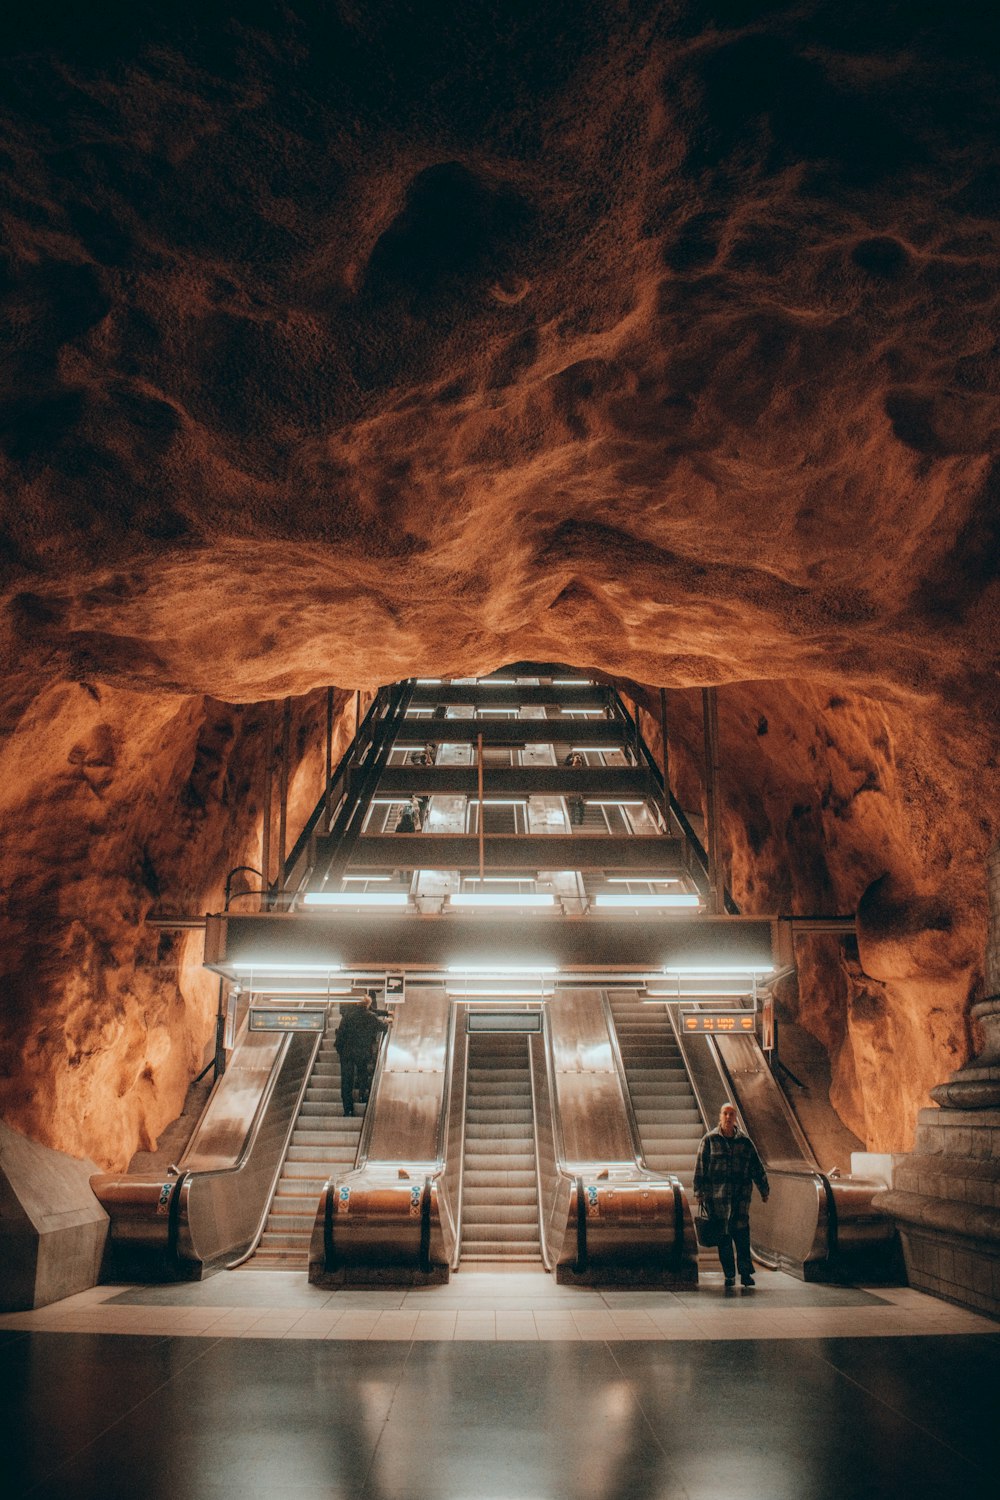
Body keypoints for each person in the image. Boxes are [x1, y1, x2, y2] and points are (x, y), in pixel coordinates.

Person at [693, 1102, 769, 1289]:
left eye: (731, 1114)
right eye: (725, 1113)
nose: (728, 1117)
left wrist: (764, 1189)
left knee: (742, 1238)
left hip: (740, 1200)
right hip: (717, 1201)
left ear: (735, 1118)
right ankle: (729, 1275)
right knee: (724, 1240)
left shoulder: (745, 1142)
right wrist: (699, 1192)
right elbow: (700, 1168)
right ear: (720, 1116)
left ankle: (745, 1274)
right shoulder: (709, 1140)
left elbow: (756, 1168)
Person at [333, 992, 391, 1116]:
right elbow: (383, 1027)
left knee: (346, 1081)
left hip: (347, 1053)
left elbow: (340, 1036)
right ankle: (362, 1096)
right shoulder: (370, 1016)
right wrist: (387, 1021)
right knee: (362, 1073)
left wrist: (340, 1051)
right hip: (363, 1052)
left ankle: (348, 1109)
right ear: (368, 1004)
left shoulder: (347, 1017)